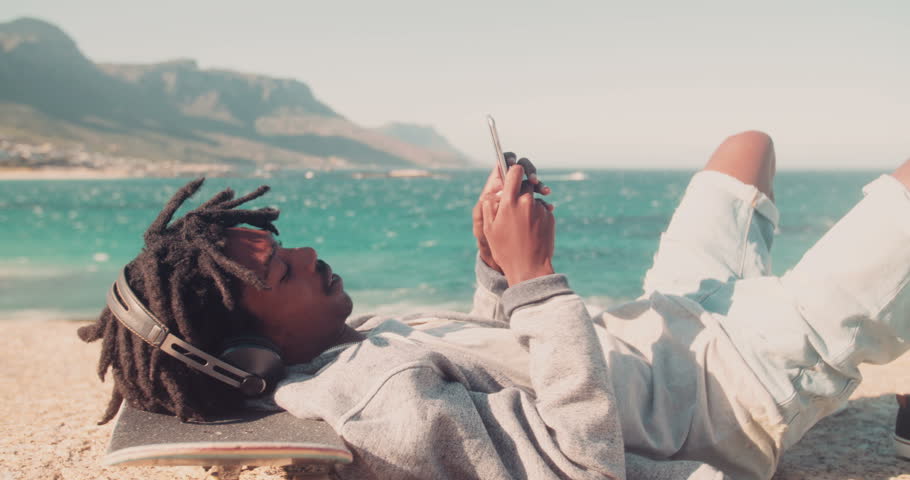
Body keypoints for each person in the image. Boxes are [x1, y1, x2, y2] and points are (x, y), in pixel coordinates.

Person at [79, 131, 910, 480]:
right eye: (273, 272)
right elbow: (583, 465)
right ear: (250, 357)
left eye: (275, 240)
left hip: (668, 324)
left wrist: (496, 271)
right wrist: (538, 277)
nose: (302, 254)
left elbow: (494, 361)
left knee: (747, 149)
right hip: (736, 380)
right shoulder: (372, 405)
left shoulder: (344, 342)